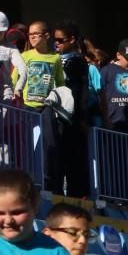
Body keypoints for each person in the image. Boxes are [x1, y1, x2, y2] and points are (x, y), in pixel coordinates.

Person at [53, 20, 92, 197]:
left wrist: (82, 117)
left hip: (72, 118)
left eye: (60, 40)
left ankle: (77, 192)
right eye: (55, 39)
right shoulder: (54, 58)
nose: (56, 43)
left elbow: (82, 91)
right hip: (56, 113)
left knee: (73, 157)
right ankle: (58, 189)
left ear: (72, 40)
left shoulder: (78, 61)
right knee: (57, 155)